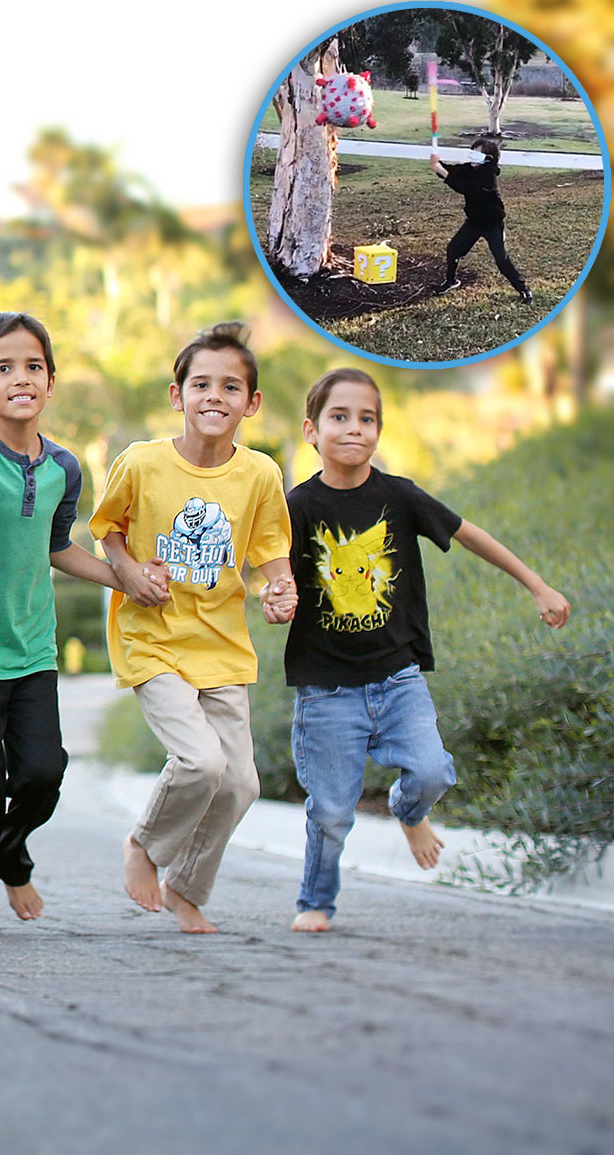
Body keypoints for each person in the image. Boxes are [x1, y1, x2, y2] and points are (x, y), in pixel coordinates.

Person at [284, 367, 570, 932]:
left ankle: (408, 810)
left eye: (368, 419)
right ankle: (316, 902)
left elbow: (468, 533)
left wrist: (537, 584)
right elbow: (266, 569)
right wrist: (271, 594)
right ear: (311, 430)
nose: (356, 429)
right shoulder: (297, 507)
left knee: (433, 772)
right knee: (333, 814)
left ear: (379, 430)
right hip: (327, 690)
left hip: (398, 679)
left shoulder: (399, 496)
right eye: (340, 417)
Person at [89, 322, 297, 934]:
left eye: (230, 386)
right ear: (176, 395)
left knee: (240, 784)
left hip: (221, 644)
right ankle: (144, 847)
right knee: (201, 762)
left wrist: (280, 589)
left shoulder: (259, 474)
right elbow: (108, 530)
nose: (215, 396)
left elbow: (268, 550)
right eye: (200, 383)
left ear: (251, 404)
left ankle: (186, 886)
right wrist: (127, 574)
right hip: (152, 638)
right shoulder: (142, 463)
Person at [0, 313, 122, 940]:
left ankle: (11, 851)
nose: (21, 378)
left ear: (50, 381)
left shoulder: (65, 466)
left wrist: (124, 580)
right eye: (3, 367)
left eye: (33, 367)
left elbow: (56, 544)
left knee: (44, 771)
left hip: (32, 650)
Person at [432, 138, 532, 303]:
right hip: (473, 222)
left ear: (488, 159)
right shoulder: (470, 168)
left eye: (476, 156)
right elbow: (454, 171)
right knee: (453, 250)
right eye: (471, 154)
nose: (472, 159)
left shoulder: (489, 176)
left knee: (501, 259)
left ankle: (523, 289)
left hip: (492, 224)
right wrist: (438, 163)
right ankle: (451, 281)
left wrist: (442, 173)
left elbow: (466, 188)